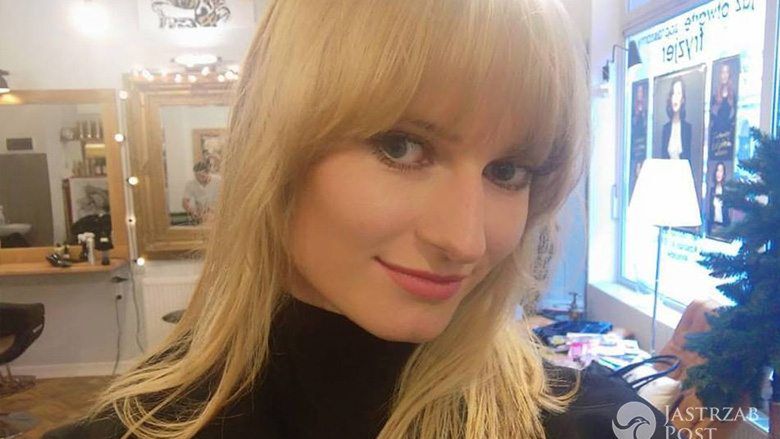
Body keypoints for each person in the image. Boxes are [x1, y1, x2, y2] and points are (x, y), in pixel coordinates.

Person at [45, 1, 675, 438]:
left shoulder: (601, 425)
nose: (466, 240)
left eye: (507, 170)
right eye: (402, 147)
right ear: (274, 151)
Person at [661, 78, 692, 160]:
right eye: (673, 94)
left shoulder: (687, 128)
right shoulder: (666, 129)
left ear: (683, 99)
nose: (675, 98)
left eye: (678, 93)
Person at [708, 161, 731, 234]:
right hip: (713, 226)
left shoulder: (726, 190)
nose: (718, 173)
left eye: (721, 171)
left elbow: (727, 211)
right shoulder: (712, 190)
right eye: (717, 170)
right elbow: (711, 211)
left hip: (724, 226)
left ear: (723, 174)